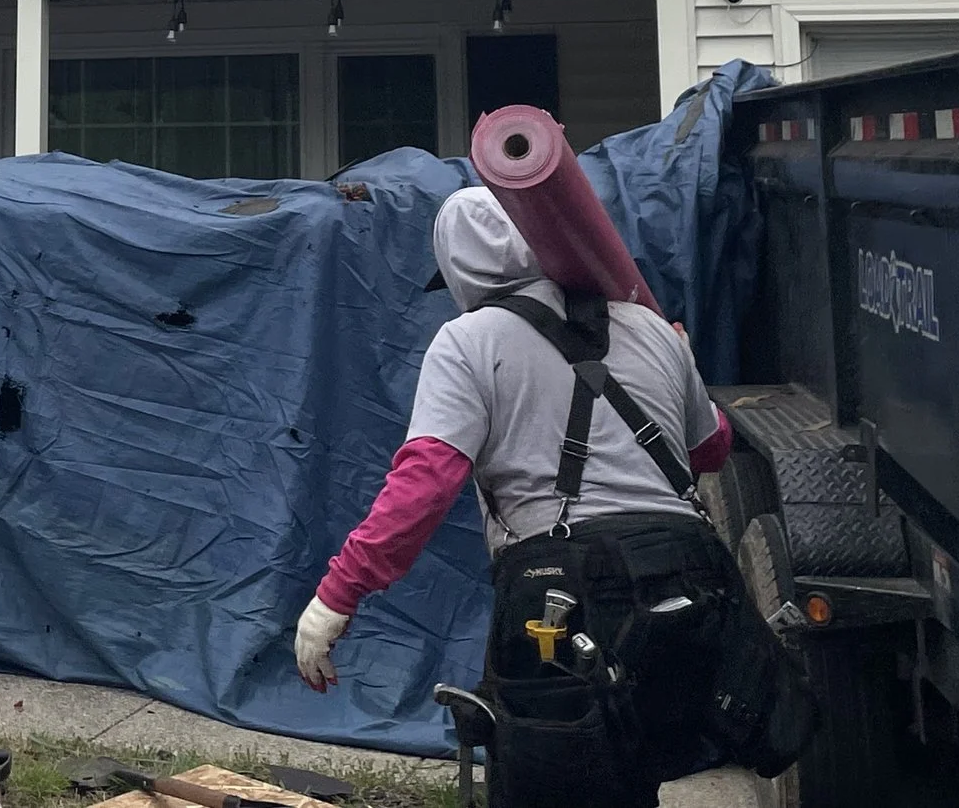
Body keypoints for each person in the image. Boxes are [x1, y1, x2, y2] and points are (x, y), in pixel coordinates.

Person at [294, 189, 807, 807]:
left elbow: (425, 483)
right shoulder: (648, 326)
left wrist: (337, 595)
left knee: (549, 783)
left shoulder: (468, 341)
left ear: (459, 269)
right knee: (636, 773)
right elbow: (711, 449)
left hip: (568, 588)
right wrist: (682, 363)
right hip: (690, 575)